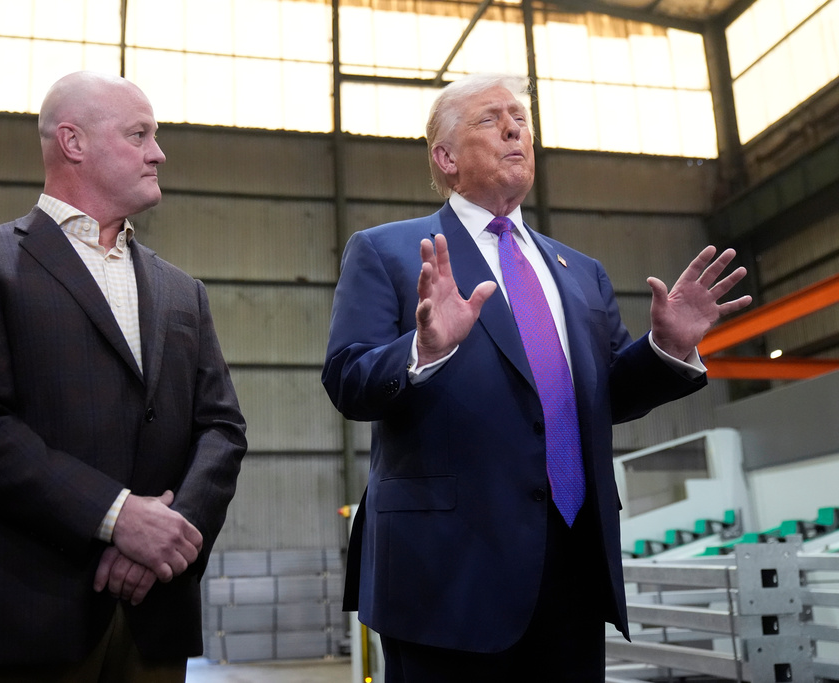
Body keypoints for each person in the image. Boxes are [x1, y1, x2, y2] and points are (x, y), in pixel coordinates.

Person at [321, 73, 751, 682]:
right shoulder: (389, 252)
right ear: (446, 158)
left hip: (574, 566)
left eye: (520, 120)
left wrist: (667, 348)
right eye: (490, 119)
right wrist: (421, 349)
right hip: (447, 579)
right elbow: (347, 379)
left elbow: (607, 398)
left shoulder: (580, 272)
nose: (514, 130)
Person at [0, 71, 247, 683]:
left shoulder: (183, 292)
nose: (158, 152)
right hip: (23, 624)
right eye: (139, 134)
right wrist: (117, 517)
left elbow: (222, 429)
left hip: (153, 620)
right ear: (73, 142)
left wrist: (165, 542)